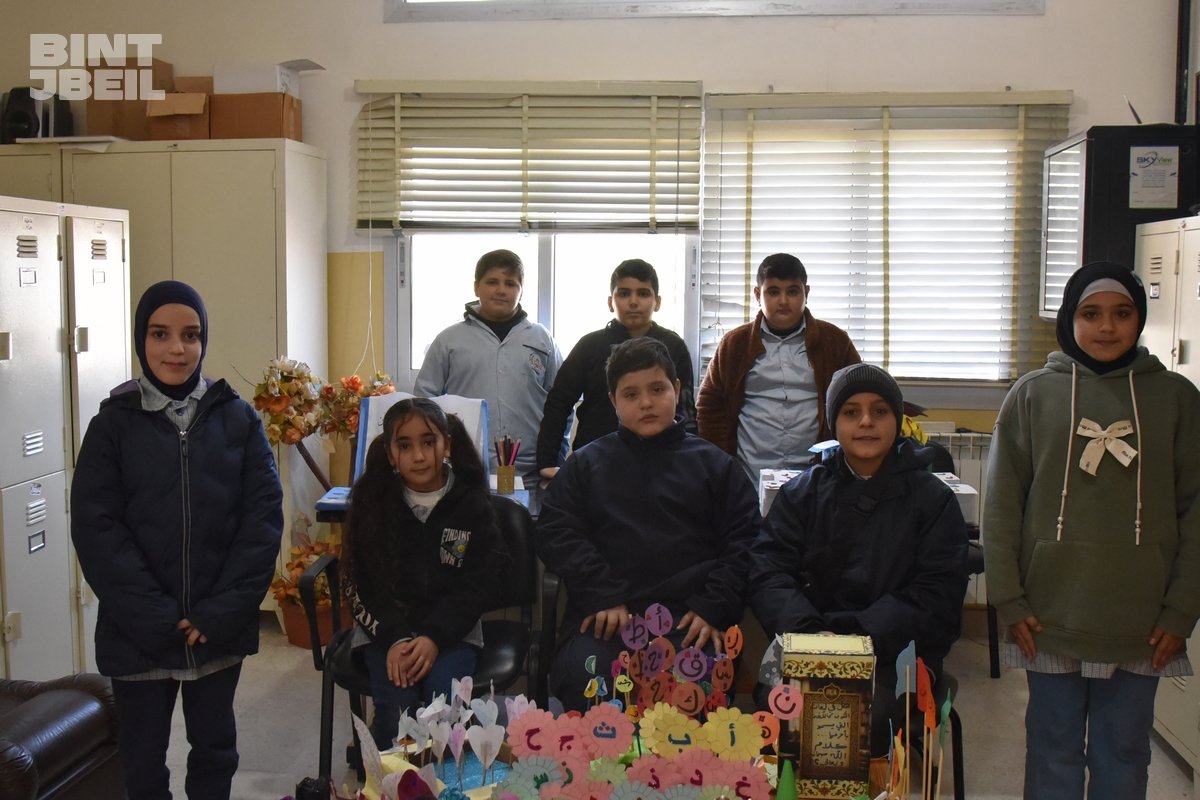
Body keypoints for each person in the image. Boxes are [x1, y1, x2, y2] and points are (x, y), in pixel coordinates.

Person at [983, 261, 1200, 800]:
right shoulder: (1032, 395)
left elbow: (1196, 510)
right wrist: (1009, 599)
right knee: (1052, 747)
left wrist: (1182, 609)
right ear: (1069, 319)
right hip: (1047, 615)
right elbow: (1002, 508)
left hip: (1142, 623)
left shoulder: (1176, 398)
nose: (1107, 327)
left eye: (1122, 313)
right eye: (1091, 313)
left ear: (1140, 318)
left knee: (1123, 750)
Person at [70, 280, 283, 800]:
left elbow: (261, 523)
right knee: (142, 759)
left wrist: (220, 610)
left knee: (216, 750)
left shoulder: (237, 418)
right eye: (160, 334)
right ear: (141, 340)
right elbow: (98, 530)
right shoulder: (112, 424)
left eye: (190, 335)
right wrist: (155, 616)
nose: (176, 349)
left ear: (204, 340)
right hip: (138, 631)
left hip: (215, 629)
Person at [748, 363, 968, 757]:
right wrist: (810, 635)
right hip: (809, 644)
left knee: (863, 717)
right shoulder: (802, 493)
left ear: (897, 420)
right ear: (834, 423)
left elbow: (938, 594)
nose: (866, 422)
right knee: (777, 710)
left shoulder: (933, 500)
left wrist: (859, 640)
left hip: (894, 653)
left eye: (879, 411)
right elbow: (768, 570)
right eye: (851, 412)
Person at [536, 337, 760, 711]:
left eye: (657, 389)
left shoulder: (716, 466)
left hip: (689, 621)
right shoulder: (586, 465)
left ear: (676, 389)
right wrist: (602, 593)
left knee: (695, 692)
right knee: (589, 682)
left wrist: (714, 606)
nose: (646, 403)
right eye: (631, 394)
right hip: (608, 617)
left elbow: (745, 541)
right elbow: (556, 531)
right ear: (613, 401)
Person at [341, 398, 500, 750]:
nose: (418, 455)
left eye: (429, 442)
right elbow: (359, 583)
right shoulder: (372, 501)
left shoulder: (471, 503)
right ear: (390, 454)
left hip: (453, 631)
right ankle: (392, 778)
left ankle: (444, 778)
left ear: (447, 444)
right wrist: (395, 638)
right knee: (397, 709)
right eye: (404, 445)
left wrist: (435, 636)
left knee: (442, 707)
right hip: (385, 631)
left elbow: (480, 583)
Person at [697, 252, 860, 482]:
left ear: (806, 293)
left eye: (792, 291)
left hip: (818, 476)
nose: (783, 301)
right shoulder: (734, 344)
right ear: (758, 295)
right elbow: (709, 406)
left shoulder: (835, 341)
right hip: (748, 475)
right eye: (773, 292)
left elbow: (859, 400)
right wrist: (723, 465)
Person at [536, 258, 696, 479]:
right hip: (594, 464)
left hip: (663, 464)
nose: (633, 302)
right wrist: (546, 462)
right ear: (610, 302)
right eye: (624, 293)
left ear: (657, 302)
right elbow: (559, 403)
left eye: (643, 293)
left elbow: (686, 411)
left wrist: (691, 462)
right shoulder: (589, 346)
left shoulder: (673, 346)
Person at [414, 248, 564, 480]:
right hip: (463, 471)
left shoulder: (542, 339)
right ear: (477, 287)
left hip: (531, 473)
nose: (501, 290)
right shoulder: (448, 340)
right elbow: (424, 403)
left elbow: (561, 404)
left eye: (510, 283)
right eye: (492, 282)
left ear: (521, 290)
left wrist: (554, 458)